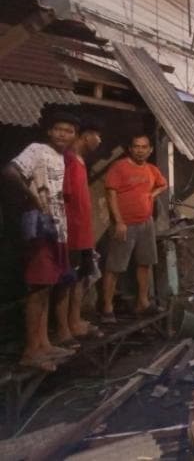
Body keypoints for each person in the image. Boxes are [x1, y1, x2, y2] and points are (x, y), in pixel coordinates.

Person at [3, 112, 79, 370]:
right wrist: (32, 199)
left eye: (68, 130)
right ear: (49, 131)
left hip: (57, 229)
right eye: (58, 128)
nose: (62, 134)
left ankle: (43, 344)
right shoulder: (36, 149)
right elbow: (10, 172)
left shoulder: (61, 158)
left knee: (47, 286)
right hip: (39, 230)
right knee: (37, 289)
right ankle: (30, 351)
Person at [101, 134, 167, 323]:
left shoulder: (151, 169)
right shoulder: (119, 167)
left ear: (150, 150)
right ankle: (107, 307)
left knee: (144, 263)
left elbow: (163, 185)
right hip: (125, 224)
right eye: (136, 146)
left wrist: (151, 195)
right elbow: (110, 195)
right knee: (114, 267)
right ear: (130, 148)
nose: (140, 150)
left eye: (144, 147)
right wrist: (119, 221)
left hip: (146, 223)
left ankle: (143, 302)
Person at [54, 117, 104, 348]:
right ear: (86, 136)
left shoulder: (80, 161)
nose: (100, 141)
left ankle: (75, 322)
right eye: (97, 136)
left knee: (80, 280)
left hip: (83, 233)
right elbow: (63, 197)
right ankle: (63, 330)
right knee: (66, 281)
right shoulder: (67, 161)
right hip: (70, 233)